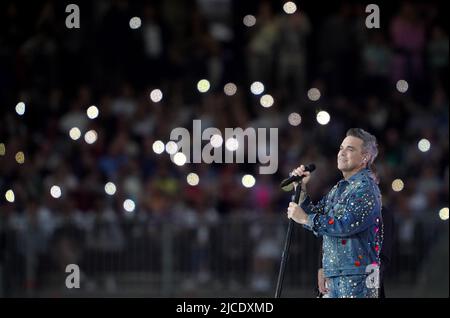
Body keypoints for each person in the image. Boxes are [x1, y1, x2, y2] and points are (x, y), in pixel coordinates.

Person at [287, 128, 382, 298]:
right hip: (336, 276)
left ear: (365, 157)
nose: (341, 153)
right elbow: (319, 215)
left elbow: (345, 225)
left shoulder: (365, 188)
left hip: (357, 279)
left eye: (350, 149)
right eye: (341, 148)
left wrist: (305, 218)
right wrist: (301, 189)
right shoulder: (340, 188)